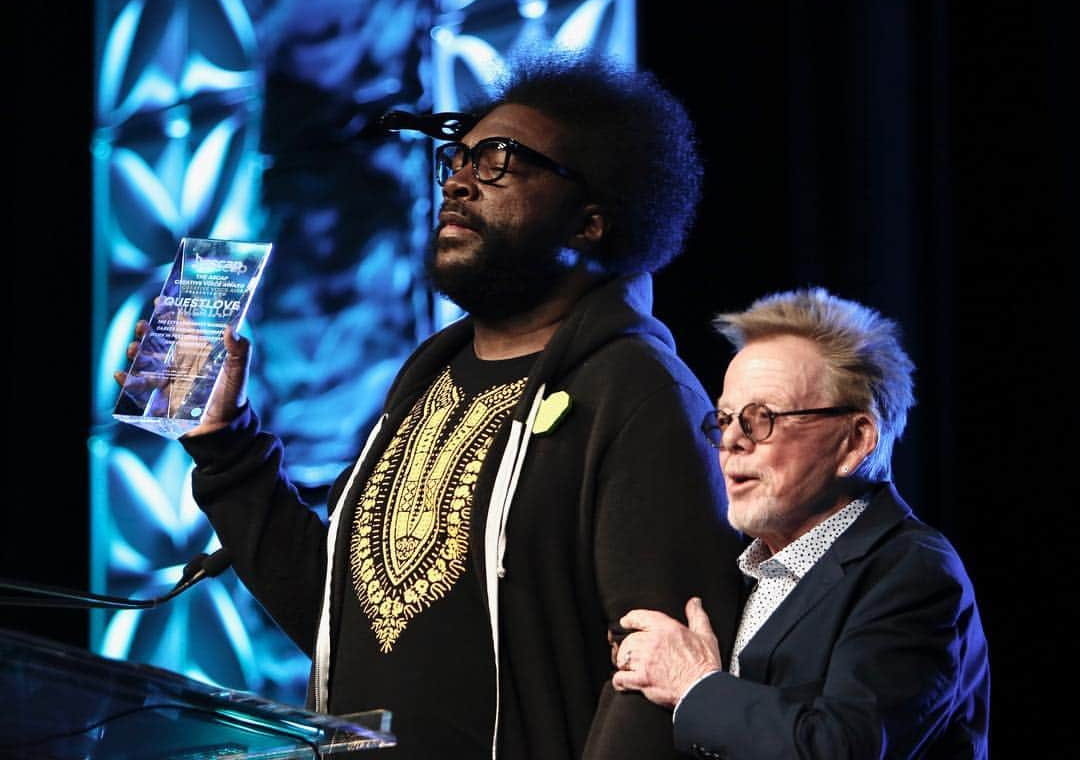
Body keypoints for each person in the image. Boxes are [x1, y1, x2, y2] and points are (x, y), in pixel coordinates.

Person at [118, 54, 743, 759]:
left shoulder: (636, 394)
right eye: (460, 158)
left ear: (589, 223)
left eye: (500, 161)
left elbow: (661, 680)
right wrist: (224, 444)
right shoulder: (425, 382)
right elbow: (335, 618)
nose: (460, 179)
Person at [609, 288, 990, 759]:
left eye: (760, 418)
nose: (730, 441)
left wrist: (694, 684)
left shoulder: (914, 573)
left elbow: (839, 749)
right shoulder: (740, 565)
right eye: (725, 419)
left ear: (855, 441)